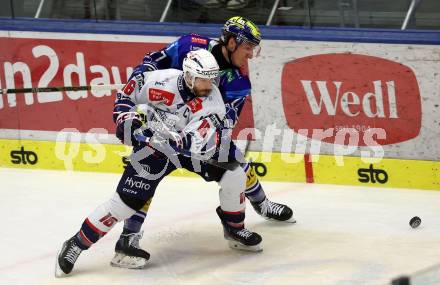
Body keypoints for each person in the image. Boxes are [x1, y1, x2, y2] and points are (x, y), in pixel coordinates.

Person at [55, 49, 262, 277]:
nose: (210, 84)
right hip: (152, 150)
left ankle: (234, 229)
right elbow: (126, 97)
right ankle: (75, 244)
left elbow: (195, 141)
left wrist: (170, 139)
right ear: (190, 76)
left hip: (192, 151)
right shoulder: (161, 80)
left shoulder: (213, 102)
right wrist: (128, 120)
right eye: (204, 79)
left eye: (213, 78)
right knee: (121, 206)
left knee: (235, 174)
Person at [110, 16, 295, 269]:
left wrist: (189, 136)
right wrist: (142, 74)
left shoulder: (239, 81)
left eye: (254, 48)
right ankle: (128, 237)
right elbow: (154, 61)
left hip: (199, 132)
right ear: (231, 42)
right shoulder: (191, 46)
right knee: (144, 176)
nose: (251, 55)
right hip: (162, 125)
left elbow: (224, 121)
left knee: (236, 165)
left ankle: (259, 206)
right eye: (247, 47)